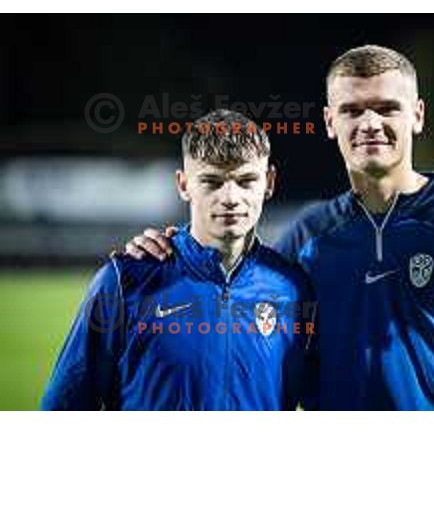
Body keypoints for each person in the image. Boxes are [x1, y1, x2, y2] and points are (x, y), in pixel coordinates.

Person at [125, 45, 434, 411]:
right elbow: (237, 289)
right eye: (352, 110)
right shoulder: (308, 234)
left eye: (386, 108)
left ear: (416, 115)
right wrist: (169, 249)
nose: (369, 124)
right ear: (328, 121)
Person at [42, 109, 315, 411]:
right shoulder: (125, 281)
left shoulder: (293, 288)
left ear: (269, 182)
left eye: (246, 181)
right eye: (212, 182)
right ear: (184, 185)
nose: (230, 197)